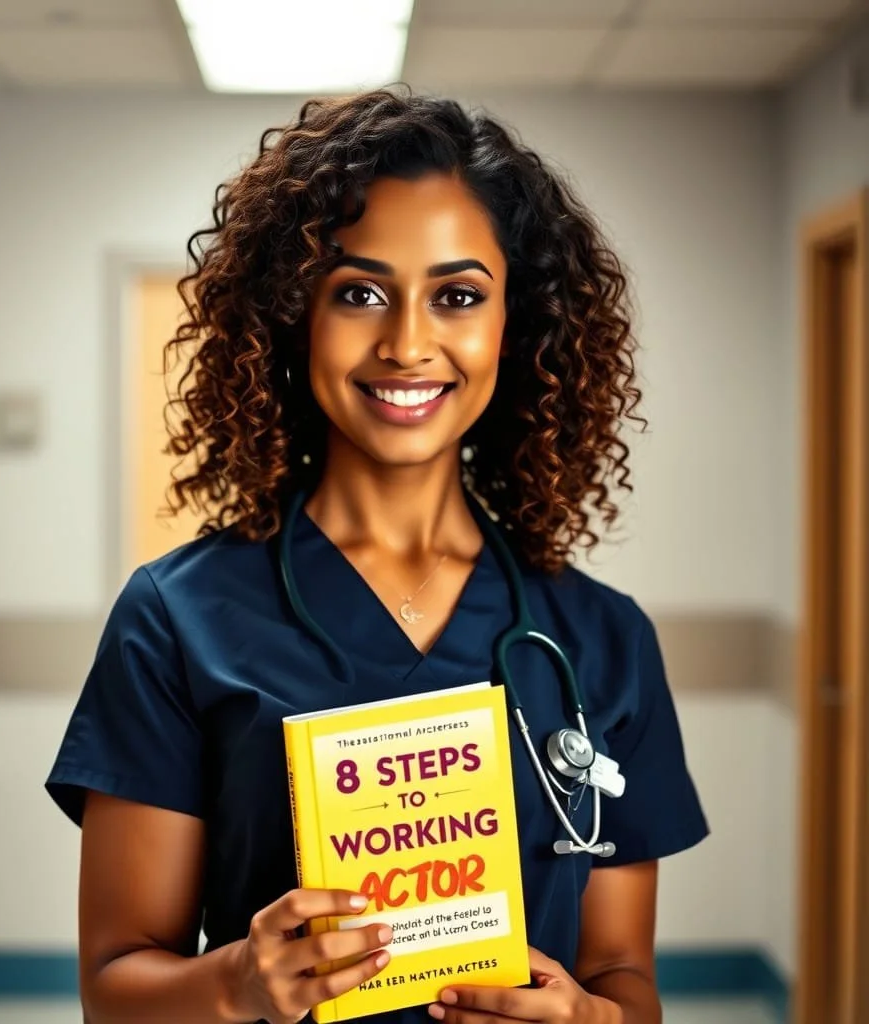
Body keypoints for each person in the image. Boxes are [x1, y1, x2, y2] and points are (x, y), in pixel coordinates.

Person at [45, 87, 708, 1024]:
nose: (406, 342)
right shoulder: (176, 618)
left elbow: (624, 980)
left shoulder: (602, 639)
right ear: (293, 318)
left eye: (458, 296)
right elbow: (116, 991)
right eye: (359, 293)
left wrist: (593, 1018)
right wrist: (236, 984)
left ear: (514, 326)